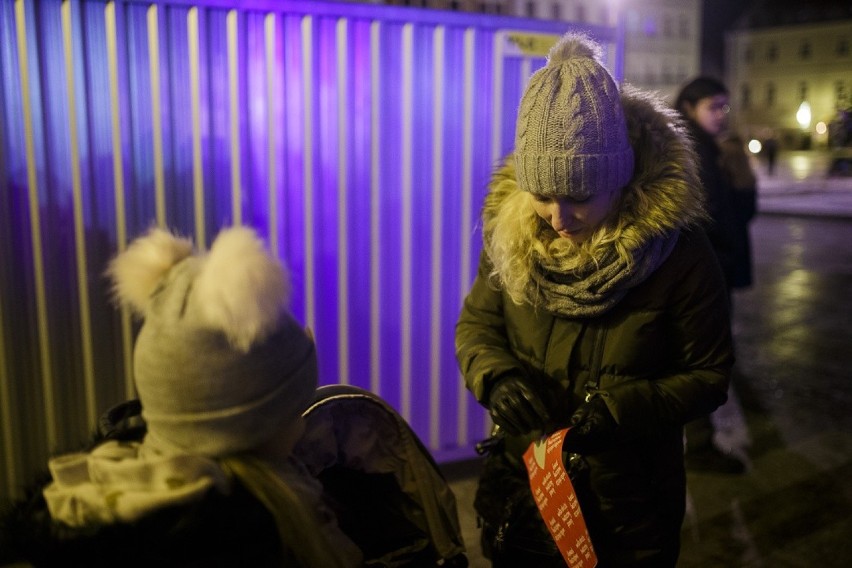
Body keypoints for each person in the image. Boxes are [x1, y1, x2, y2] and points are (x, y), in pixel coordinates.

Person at [455, 33, 734, 567]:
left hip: (628, 507)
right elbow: (478, 325)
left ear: (620, 178)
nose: (559, 219)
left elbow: (708, 373)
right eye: (542, 196)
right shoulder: (511, 234)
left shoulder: (678, 251)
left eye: (579, 197)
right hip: (526, 489)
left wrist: (621, 411)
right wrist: (496, 377)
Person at [1, 226, 363, 567]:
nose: (303, 423)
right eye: (293, 408)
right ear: (247, 427)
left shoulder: (102, 507)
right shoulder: (254, 541)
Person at [675, 77, 751, 474]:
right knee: (700, 361)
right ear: (689, 107)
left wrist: (743, 181)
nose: (721, 115)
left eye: (724, 106)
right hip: (705, 274)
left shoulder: (711, 149)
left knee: (704, 360)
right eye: (713, 106)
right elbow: (704, 221)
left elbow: (737, 214)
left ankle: (700, 440)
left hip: (716, 268)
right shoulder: (690, 151)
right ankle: (699, 444)